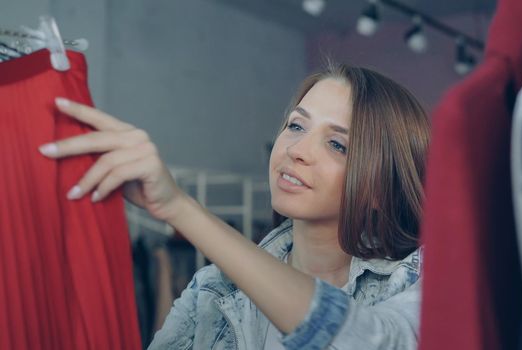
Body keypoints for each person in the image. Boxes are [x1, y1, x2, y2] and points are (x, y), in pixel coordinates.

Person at [39, 63, 430, 349]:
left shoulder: (418, 283)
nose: (296, 151)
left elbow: (374, 342)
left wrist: (179, 206)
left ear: (382, 186)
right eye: (296, 125)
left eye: (337, 144)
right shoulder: (212, 291)